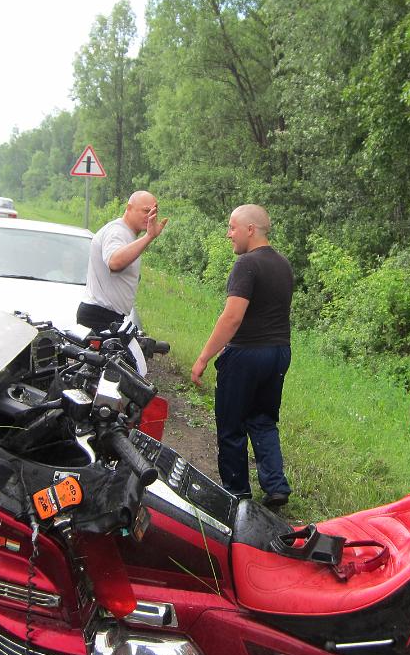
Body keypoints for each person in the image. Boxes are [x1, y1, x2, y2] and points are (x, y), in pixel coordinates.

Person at [191, 204, 293, 508]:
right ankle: (276, 486)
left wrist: (203, 357)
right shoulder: (283, 264)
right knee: (263, 420)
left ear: (251, 229)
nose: (228, 234)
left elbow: (232, 317)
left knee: (231, 425)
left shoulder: (246, 264)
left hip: (246, 355)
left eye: (232, 227)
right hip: (278, 353)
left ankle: (236, 493)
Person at [76, 190, 169, 332]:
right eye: (145, 211)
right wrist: (149, 237)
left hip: (109, 316)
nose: (150, 216)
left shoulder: (128, 234)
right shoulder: (117, 231)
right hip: (98, 316)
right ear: (129, 208)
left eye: (154, 212)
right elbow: (115, 262)